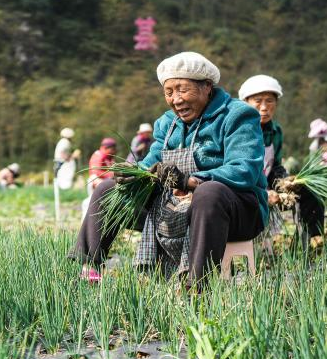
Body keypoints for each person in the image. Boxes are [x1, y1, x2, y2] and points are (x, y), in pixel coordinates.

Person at [72, 52, 267, 290]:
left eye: (182, 90)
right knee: (107, 189)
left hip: (236, 211)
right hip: (174, 210)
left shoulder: (237, 115)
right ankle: (89, 270)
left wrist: (193, 181)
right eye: (169, 92)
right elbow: (152, 161)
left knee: (209, 193)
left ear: (207, 87)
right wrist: (133, 174)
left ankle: (196, 287)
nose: (176, 100)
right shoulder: (167, 122)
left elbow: (245, 169)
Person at [239, 74, 325, 248]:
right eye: (258, 101)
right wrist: (262, 191)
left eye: (269, 101)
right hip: (242, 189)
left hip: (268, 187)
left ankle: (309, 242)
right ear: (245, 102)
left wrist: (284, 182)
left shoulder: (275, 131)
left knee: (310, 192)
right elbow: (235, 169)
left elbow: (275, 166)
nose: (264, 107)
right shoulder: (237, 128)